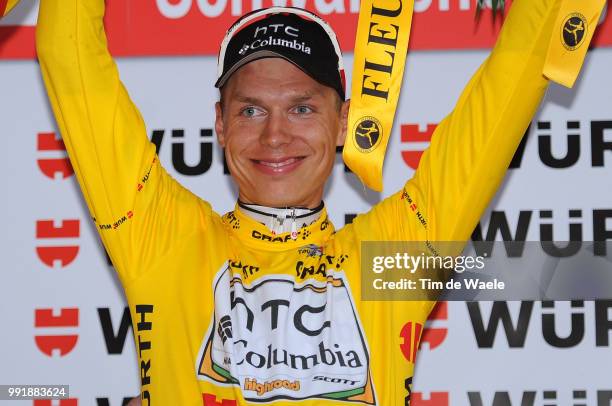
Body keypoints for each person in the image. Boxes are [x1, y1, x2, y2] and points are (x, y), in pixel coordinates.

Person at [34, 0, 572, 404]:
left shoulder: (388, 263)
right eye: (249, 111)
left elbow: (514, 78)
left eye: (301, 109)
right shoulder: (161, 239)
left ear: (344, 123)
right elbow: (69, 53)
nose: (274, 137)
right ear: (219, 124)